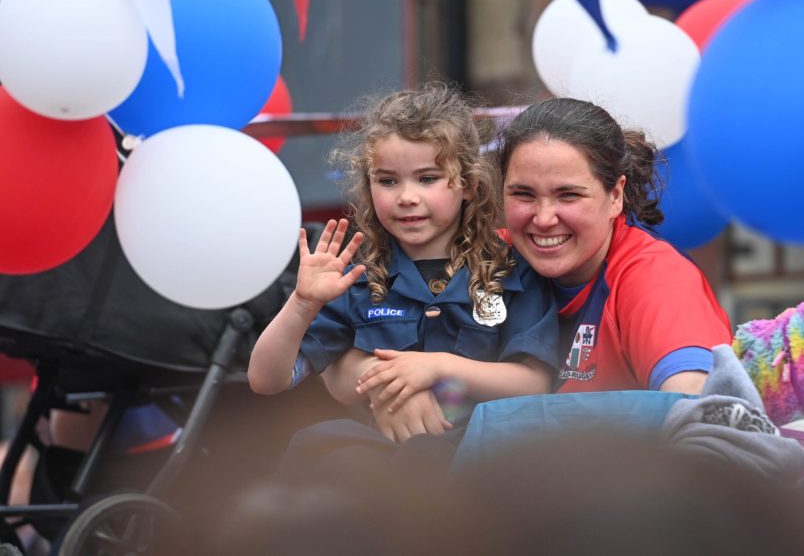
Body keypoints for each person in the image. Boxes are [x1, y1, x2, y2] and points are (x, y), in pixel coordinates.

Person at [247, 83, 558, 452]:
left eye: (427, 178)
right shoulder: (355, 275)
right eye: (387, 181)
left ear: (469, 185)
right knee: (313, 445)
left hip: (483, 459)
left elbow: (535, 383)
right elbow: (266, 380)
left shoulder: (510, 269)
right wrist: (302, 304)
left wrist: (435, 368)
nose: (407, 197)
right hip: (384, 468)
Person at [497, 97, 732, 395]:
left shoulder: (657, 276)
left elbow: (696, 402)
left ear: (615, 196)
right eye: (523, 194)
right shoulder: (483, 259)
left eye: (568, 195)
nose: (543, 219)